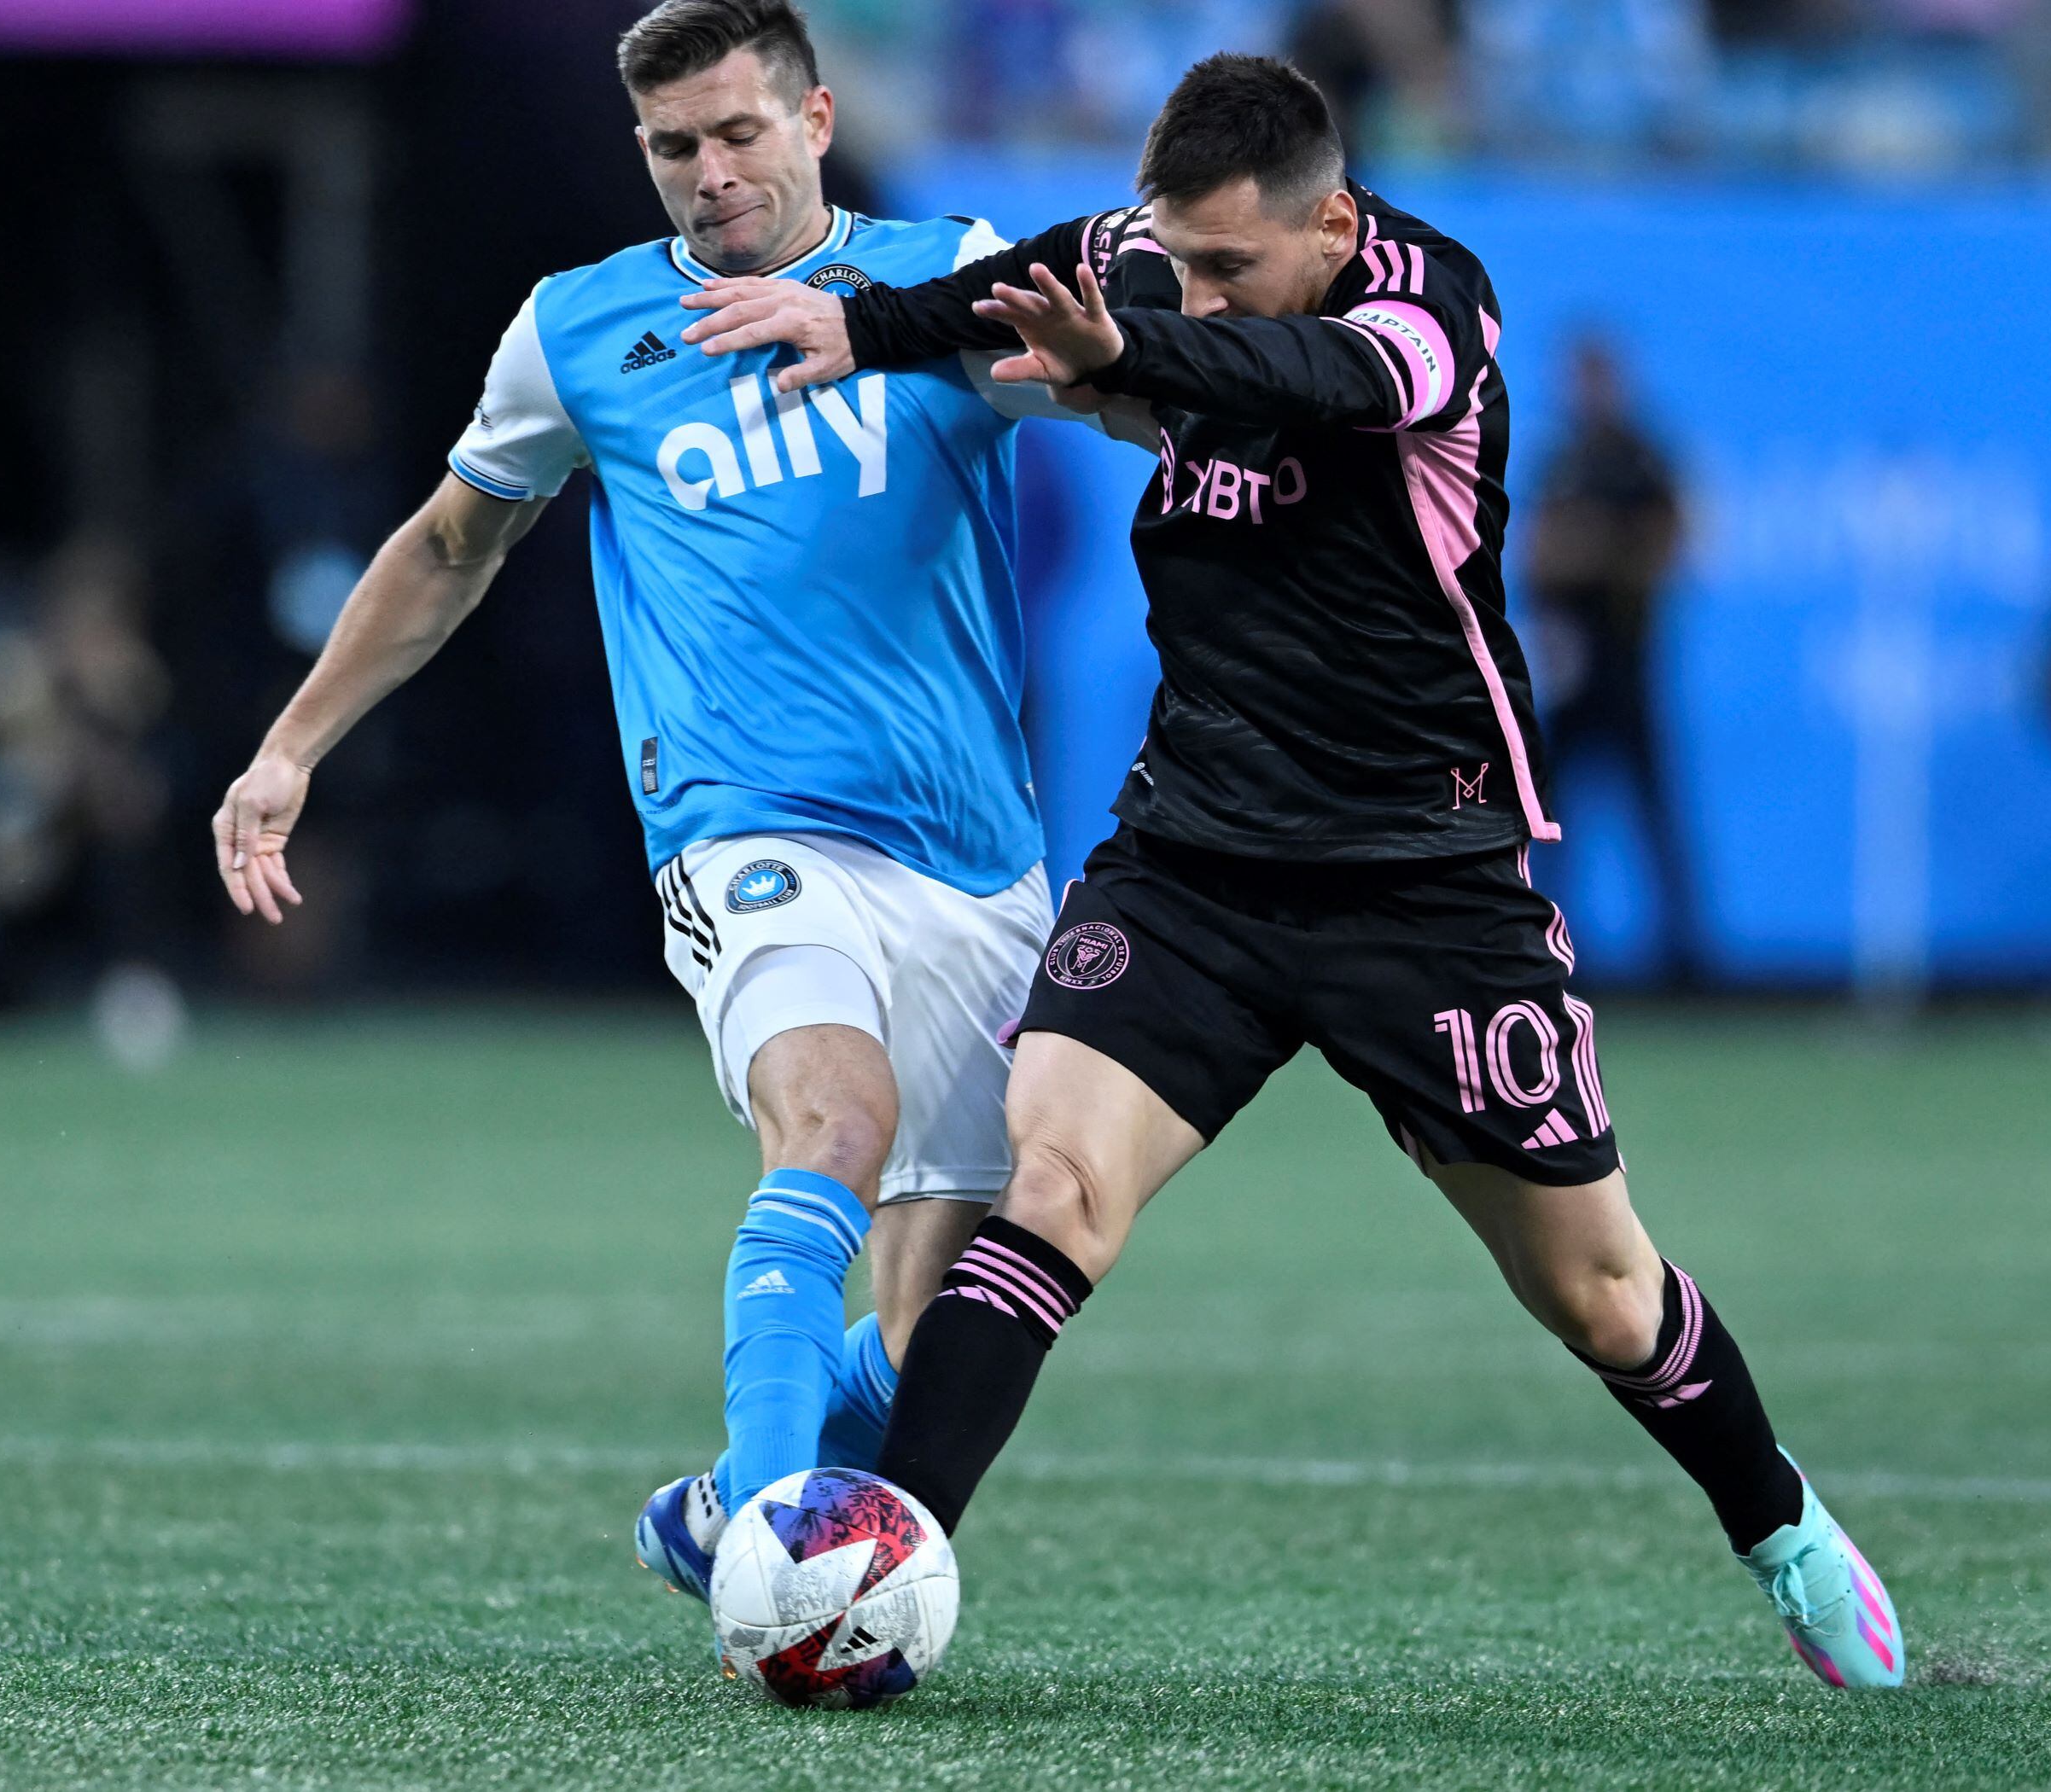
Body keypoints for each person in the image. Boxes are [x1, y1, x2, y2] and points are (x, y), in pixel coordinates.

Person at [682, 53, 1905, 1687]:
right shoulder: (1163, 261)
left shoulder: (1429, 316)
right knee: (1048, 1192)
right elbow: (1041, 275)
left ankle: (1786, 1531)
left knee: (1601, 1293)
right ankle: (870, 1568)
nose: (1189, 283)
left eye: (1228, 266)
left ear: (1334, 219)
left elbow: (1307, 377)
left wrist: (1135, 350)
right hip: (1193, 860)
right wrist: (866, 323)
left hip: (1425, 882)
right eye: (1172, 257)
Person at [210, 0, 1085, 1628]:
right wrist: (292, 746)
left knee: (940, 1316)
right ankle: (771, 1546)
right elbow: (449, 545)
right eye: (674, 147)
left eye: (738, 133)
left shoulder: (945, 273)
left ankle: (711, 1509)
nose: (710, 173)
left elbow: (1118, 403)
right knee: (831, 1125)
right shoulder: (581, 332)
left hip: (975, 856)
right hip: (744, 826)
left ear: (816, 119)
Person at [1523, 334, 1699, 984]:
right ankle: (1547, 948)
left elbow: (1672, 544)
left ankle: (1685, 960)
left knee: (1655, 816)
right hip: (1572, 673)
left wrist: (1600, 552)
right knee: (1553, 821)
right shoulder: (1564, 460)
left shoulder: (1642, 458)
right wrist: (1601, 549)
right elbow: (1540, 554)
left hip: (1629, 667)